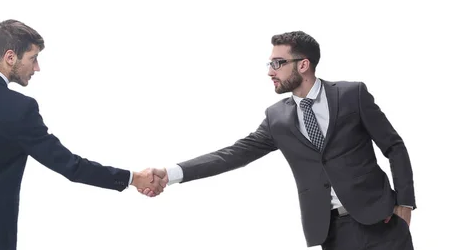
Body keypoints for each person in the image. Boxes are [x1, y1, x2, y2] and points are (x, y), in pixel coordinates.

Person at [0, 19, 167, 250]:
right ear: (10, 56)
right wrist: (133, 178)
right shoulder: (19, 109)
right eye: (33, 59)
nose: (37, 68)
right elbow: (69, 165)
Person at [140, 31, 416, 249]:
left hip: (384, 222)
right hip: (333, 232)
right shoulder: (277, 119)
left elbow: (394, 146)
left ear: (303, 64)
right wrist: (170, 173)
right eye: (270, 64)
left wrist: (405, 203)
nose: (270, 71)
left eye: (278, 63)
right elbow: (233, 154)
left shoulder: (351, 95)